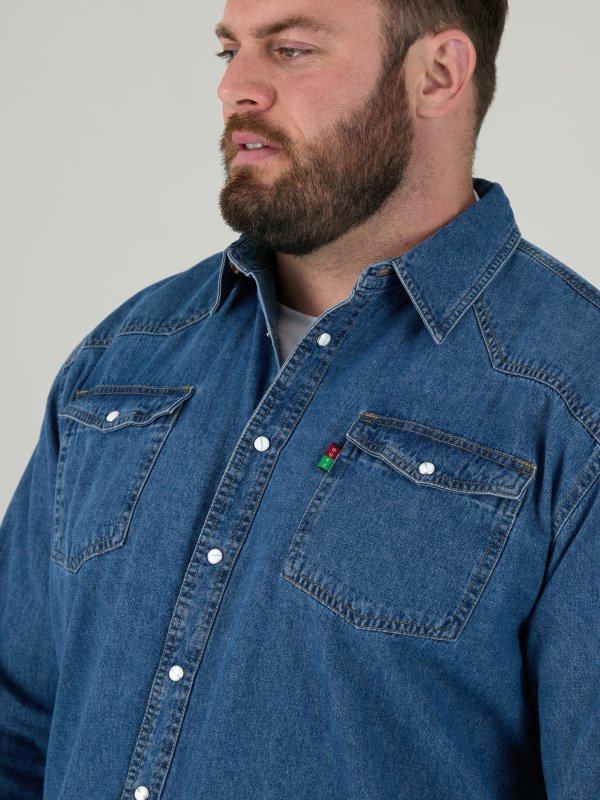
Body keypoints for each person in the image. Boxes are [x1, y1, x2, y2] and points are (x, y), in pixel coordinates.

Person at [1, 0, 599, 797]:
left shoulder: (574, 399)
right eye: (230, 51)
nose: (235, 89)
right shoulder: (124, 357)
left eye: (290, 49)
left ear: (437, 75)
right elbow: (17, 727)